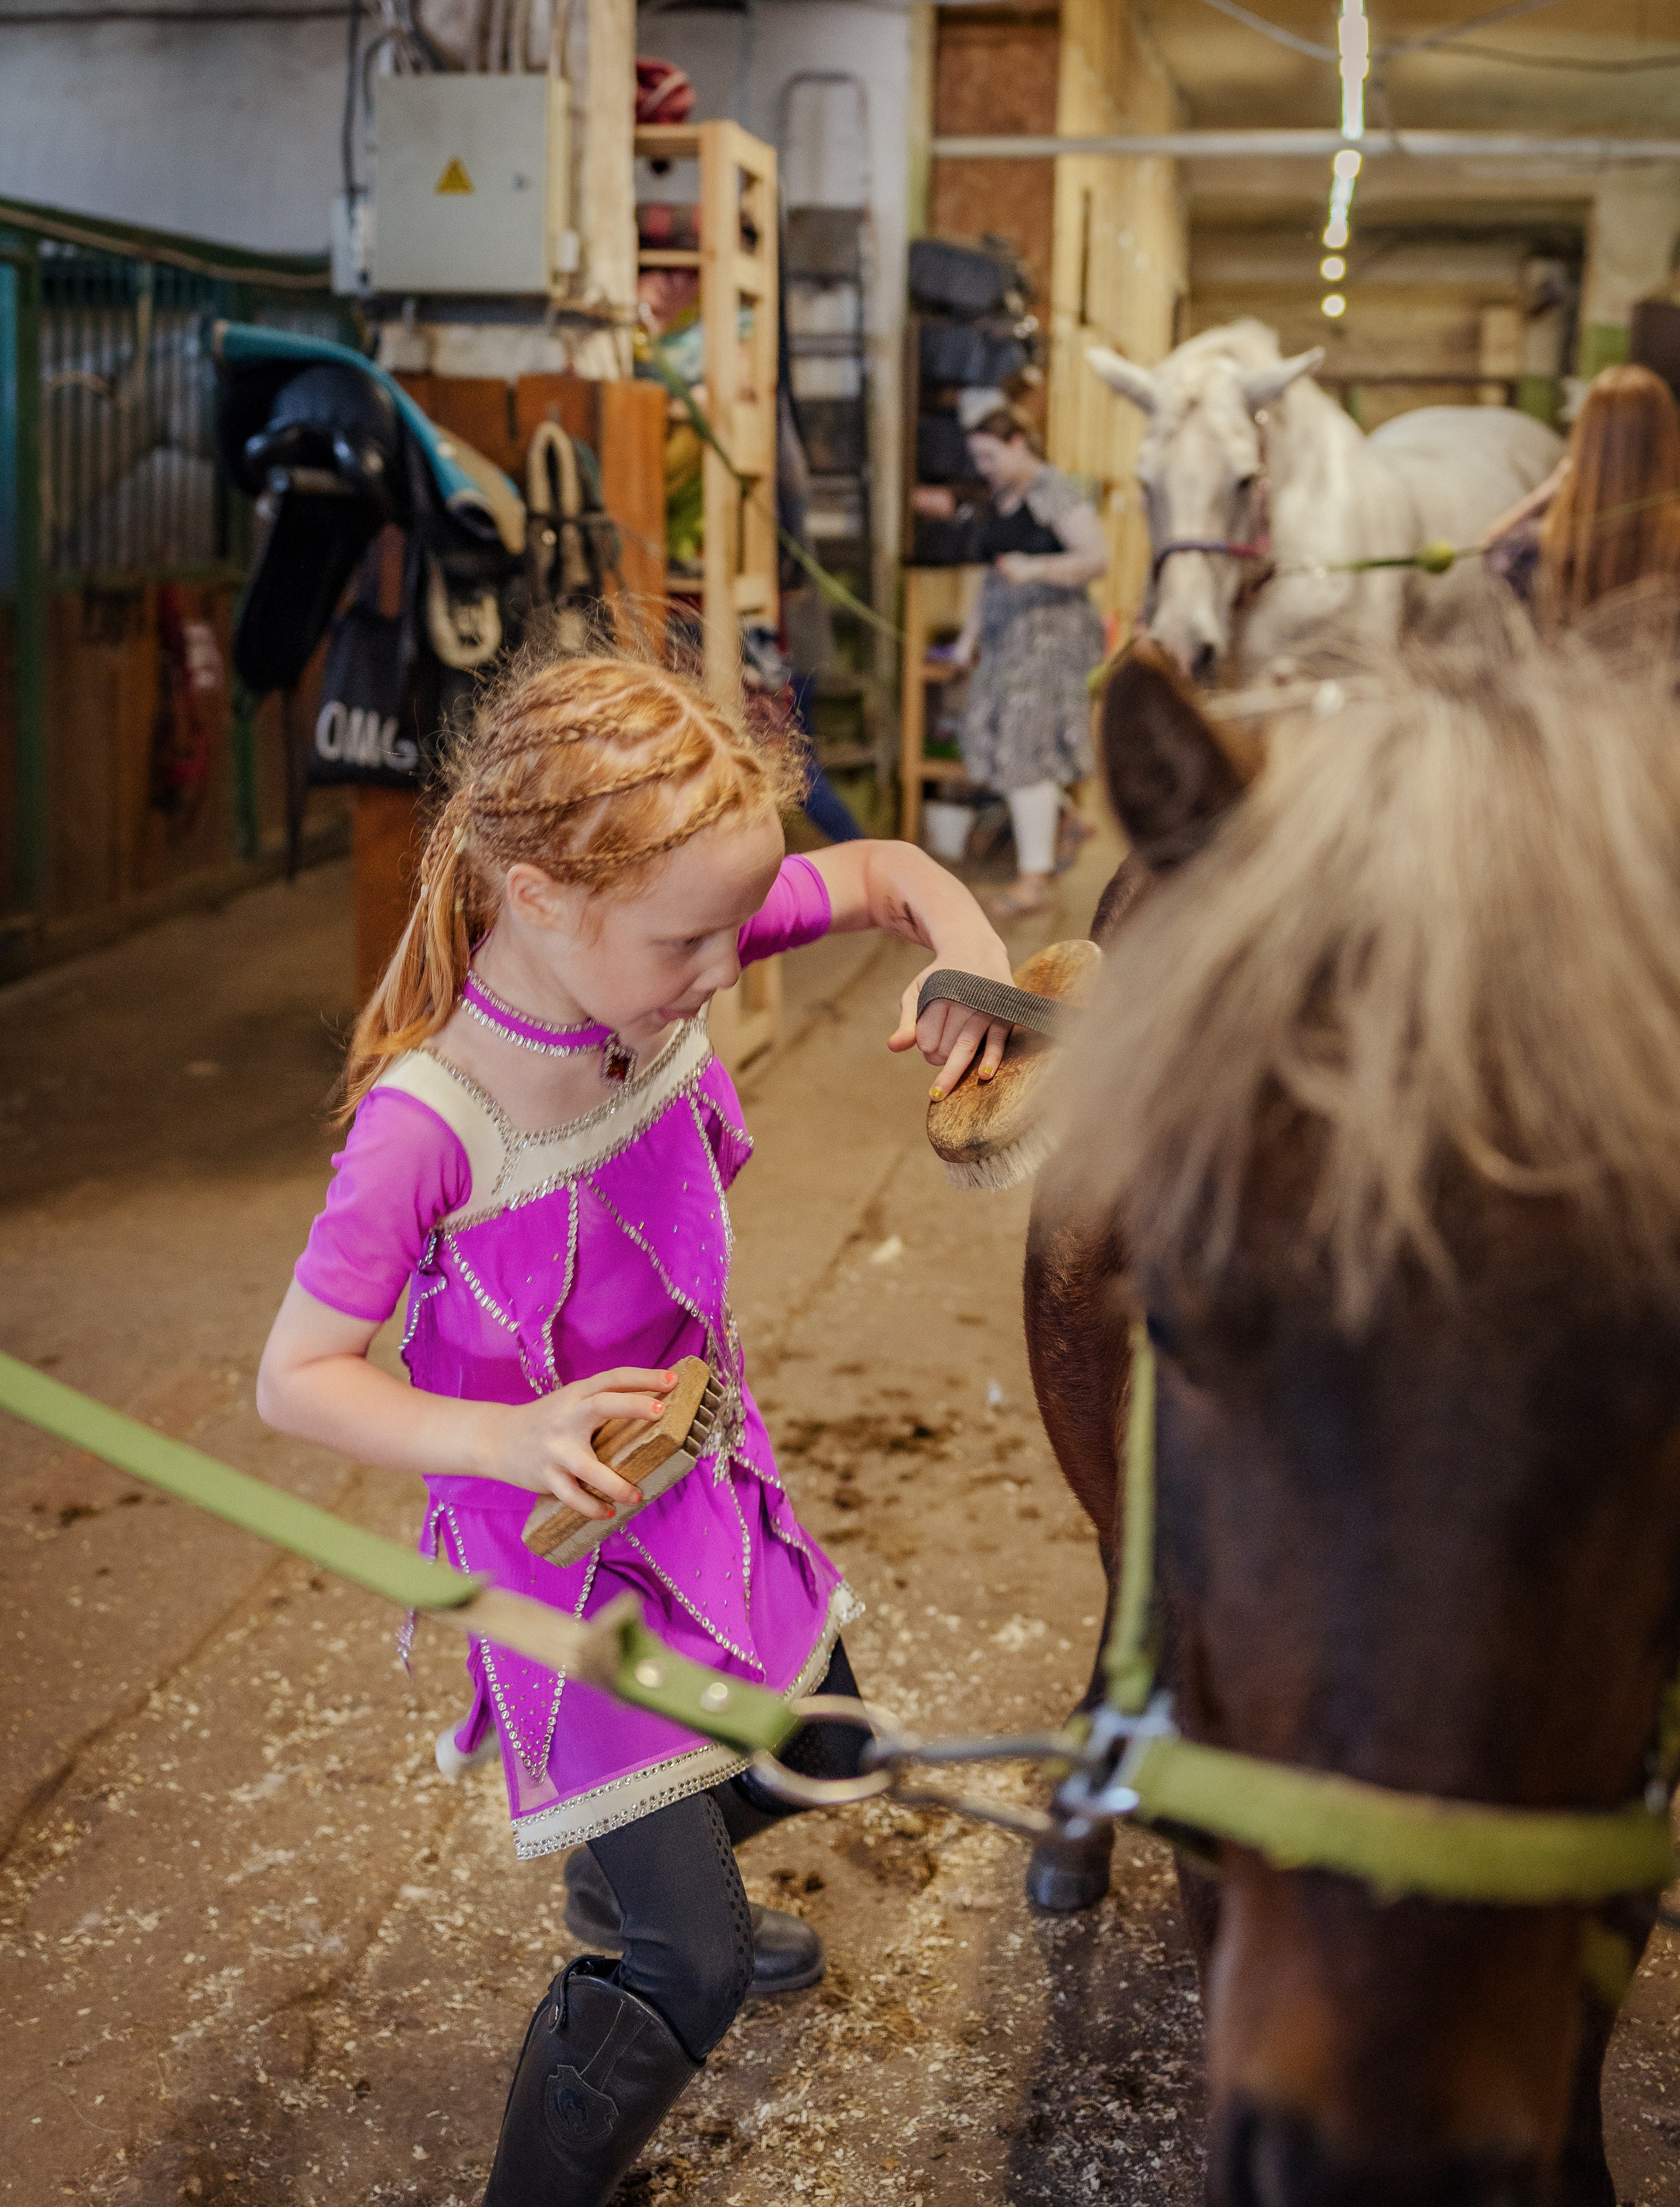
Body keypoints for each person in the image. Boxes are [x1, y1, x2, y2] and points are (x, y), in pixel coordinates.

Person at [254, 654, 1015, 2206]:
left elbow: (881, 873)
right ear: (539, 899)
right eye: (692, 942)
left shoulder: (658, 940)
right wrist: (506, 1435)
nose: (725, 967)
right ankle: (604, 2041)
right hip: (555, 1549)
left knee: (829, 1754)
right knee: (697, 1967)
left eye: (731, 928)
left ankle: (631, 1888)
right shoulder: (431, 1124)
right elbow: (294, 1376)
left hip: (700, 1479)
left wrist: (969, 960)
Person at [1483, 362, 1680, 730]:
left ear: (1584, 444)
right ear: (1669, 441)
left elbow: (1491, 553)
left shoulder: (1548, 544)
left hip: (1586, 754)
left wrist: (1551, 489)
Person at [911, 401, 1108, 917]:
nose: (984, 467)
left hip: (1050, 641)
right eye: (977, 457)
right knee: (998, 738)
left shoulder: (1053, 492)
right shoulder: (1005, 496)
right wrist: (967, 640)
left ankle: (1034, 879)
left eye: (991, 455)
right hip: (1006, 639)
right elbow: (994, 576)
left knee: (1026, 747)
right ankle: (1067, 821)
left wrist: (1038, 568)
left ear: (1019, 444)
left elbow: (1096, 558)